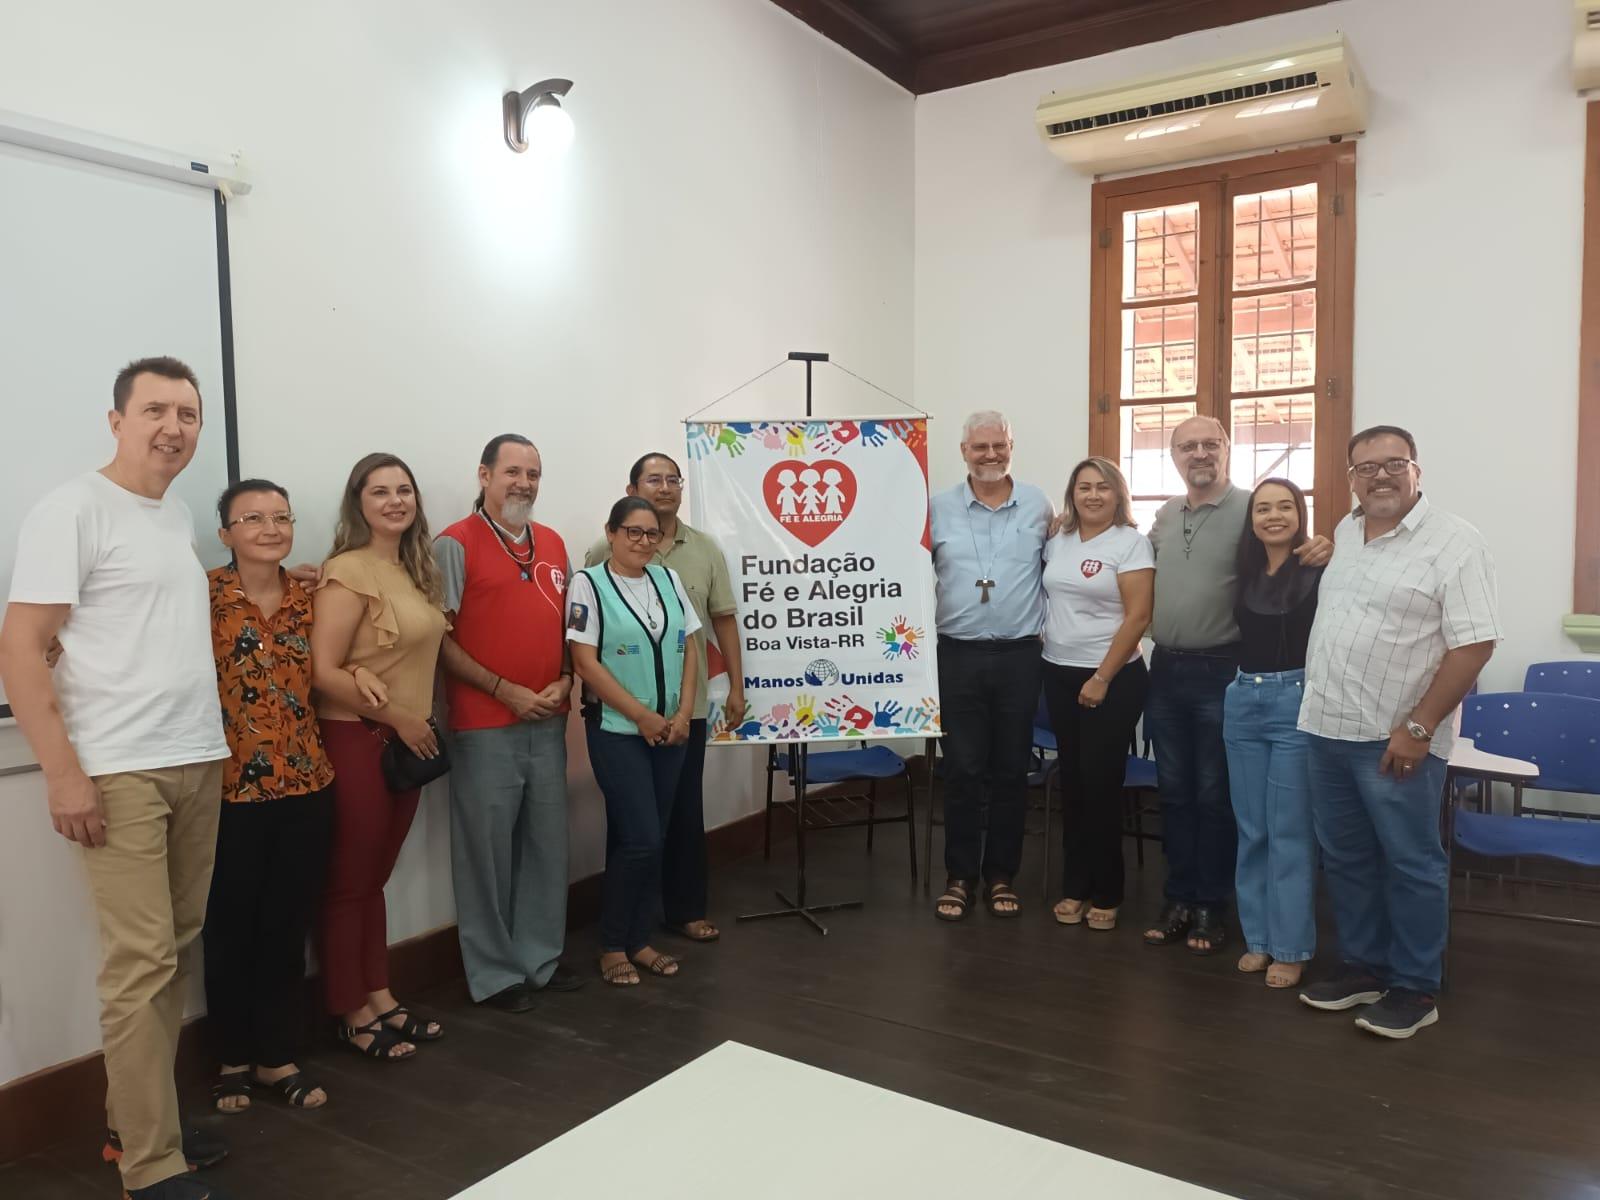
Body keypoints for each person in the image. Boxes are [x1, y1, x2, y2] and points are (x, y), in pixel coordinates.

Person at [0, 356, 234, 1200]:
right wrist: (64, 775)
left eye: (188, 414)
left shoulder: (171, 519)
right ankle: (150, 1165)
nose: (174, 427)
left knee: (168, 957)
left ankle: (137, 1123)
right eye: (156, 411)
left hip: (194, 757)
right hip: (119, 771)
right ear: (116, 421)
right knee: (140, 966)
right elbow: (22, 646)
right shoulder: (72, 509)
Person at [1298, 426, 1499, 1039]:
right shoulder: (1348, 531)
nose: (1379, 476)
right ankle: (1362, 966)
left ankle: (1415, 987)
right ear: (1350, 477)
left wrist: (1419, 727)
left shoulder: (1456, 543)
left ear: (1417, 471)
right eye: (1365, 468)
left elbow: (1474, 644)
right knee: (1347, 857)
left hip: (1395, 739)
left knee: (1411, 863)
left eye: (1394, 464)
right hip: (1325, 728)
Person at [203, 479, 386, 1112]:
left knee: (286, 924)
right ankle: (230, 1057)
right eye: (252, 518)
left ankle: (277, 1057)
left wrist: (359, 670)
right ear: (225, 533)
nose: (270, 528)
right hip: (229, 790)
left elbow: (337, 662)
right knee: (230, 928)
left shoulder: (310, 596)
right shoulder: (202, 596)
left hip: (307, 781)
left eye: (281, 517)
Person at [1142, 416, 1329, 955]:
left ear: (1227, 449)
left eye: (1210, 444)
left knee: (1217, 797)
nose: (1199, 454)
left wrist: (1325, 547)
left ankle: (1210, 905)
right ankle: (1177, 898)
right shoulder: (1165, 514)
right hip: (1167, 670)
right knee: (1174, 794)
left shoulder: (1251, 508)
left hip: (1224, 672)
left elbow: (1289, 546)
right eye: (1187, 446)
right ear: (1174, 456)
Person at [434, 434, 582, 1012]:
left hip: (548, 721)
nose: (524, 483)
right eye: (512, 471)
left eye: (534, 474)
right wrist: (504, 690)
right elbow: (438, 640)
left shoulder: (551, 543)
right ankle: (495, 974)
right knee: (486, 855)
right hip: (483, 724)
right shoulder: (455, 544)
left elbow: (573, 625)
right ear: (484, 475)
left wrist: (568, 678)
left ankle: (538, 961)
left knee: (547, 848)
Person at [311, 452, 448, 1059]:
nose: (395, 500)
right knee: (349, 883)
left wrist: (408, 724)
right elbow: (321, 672)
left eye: (404, 490)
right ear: (358, 503)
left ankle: (381, 993)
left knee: (376, 878)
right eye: (379, 492)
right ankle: (351, 1009)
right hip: (358, 738)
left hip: (406, 743)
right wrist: (397, 717)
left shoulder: (416, 571)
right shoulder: (347, 571)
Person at [584, 452, 742, 945]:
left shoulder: (700, 552)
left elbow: (720, 620)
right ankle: (630, 930)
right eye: (654, 479)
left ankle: (682, 909)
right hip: (623, 716)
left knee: (682, 814)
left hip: (684, 709)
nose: (666, 487)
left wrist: (737, 686)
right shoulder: (595, 561)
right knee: (633, 826)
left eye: (674, 479)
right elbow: (587, 645)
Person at [568, 497, 700, 986]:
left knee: (651, 837)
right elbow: (585, 663)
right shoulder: (590, 584)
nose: (643, 542)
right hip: (618, 731)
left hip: (671, 730)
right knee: (641, 837)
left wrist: (683, 713)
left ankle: (639, 939)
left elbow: (690, 646)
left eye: (651, 534)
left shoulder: (666, 580)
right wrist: (643, 716)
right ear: (612, 532)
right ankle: (611, 944)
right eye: (633, 532)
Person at [928, 411, 1052, 921]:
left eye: (998, 446)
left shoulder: (1040, 506)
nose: (990, 455)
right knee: (961, 769)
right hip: (956, 654)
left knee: (1009, 771)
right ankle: (959, 876)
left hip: (1020, 656)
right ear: (963, 452)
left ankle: (1001, 875)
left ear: (1011, 447)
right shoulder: (936, 509)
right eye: (980, 447)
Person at [1041, 458, 1153, 934]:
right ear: (1072, 495)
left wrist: (1102, 677)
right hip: (1059, 673)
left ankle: (1107, 892)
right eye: (1083, 488)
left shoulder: (1131, 544)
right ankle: (1076, 885)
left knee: (1100, 784)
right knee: (1074, 783)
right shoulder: (1057, 540)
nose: (1092, 496)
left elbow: (1138, 617)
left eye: (1102, 488)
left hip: (1113, 679)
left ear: (1117, 494)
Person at [1223, 478, 1321, 989]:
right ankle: (1258, 938)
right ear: (1252, 518)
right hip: (1242, 699)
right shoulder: (1243, 569)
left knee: (1288, 830)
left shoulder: (1320, 566)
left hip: (1295, 701)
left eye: (1285, 506)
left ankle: (1291, 946)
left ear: (1300, 514)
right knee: (1252, 827)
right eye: (1263, 508)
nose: (1273, 516)